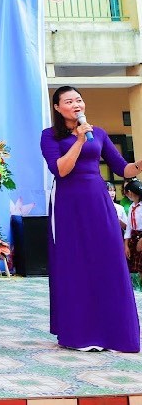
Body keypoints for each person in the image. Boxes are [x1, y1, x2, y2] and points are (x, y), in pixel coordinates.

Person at [40, 85, 141, 353]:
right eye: (69, 101)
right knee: (74, 261)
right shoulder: (50, 136)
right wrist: (80, 140)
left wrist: (139, 164)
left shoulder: (100, 133)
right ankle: (79, 333)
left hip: (98, 199)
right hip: (68, 202)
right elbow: (61, 170)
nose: (76, 105)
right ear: (57, 107)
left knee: (108, 259)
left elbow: (122, 169)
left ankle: (115, 333)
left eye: (79, 100)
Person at [123, 179, 142, 287]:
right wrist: (126, 245)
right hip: (134, 237)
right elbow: (129, 227)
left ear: (130, 192)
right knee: (136, 268)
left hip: (141, 237)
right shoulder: (131, 207)